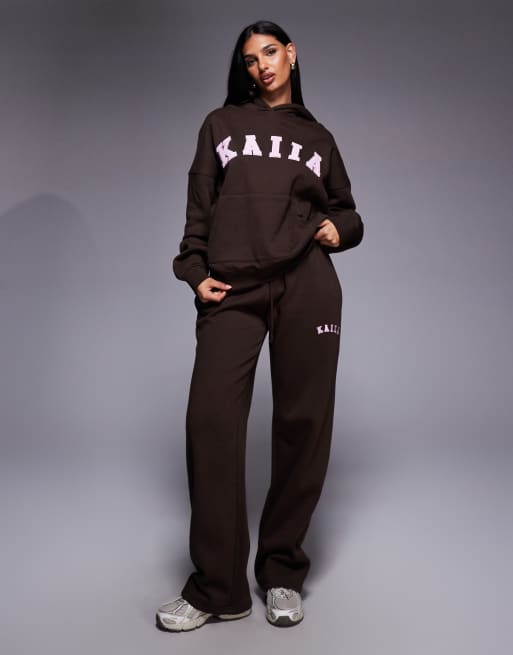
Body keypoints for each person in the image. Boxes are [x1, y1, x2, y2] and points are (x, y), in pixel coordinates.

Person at [156, 19, 364, 632]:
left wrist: (341, 229)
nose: (262, 66)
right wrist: (195, 272)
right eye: (250, 59)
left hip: (306, 285)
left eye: (270, 53)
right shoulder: (220, 125)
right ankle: (218, 587)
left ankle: (281, 572)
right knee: (211, 422)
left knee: (303, 424)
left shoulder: (318, 137)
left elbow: (348, 210)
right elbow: (199, 208)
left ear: (291, 55)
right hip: (234, 288)